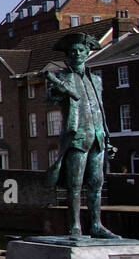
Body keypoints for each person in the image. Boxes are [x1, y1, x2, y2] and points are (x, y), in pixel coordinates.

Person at [44, 32, 119, 239]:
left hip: (97, 135)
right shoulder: (62, 78)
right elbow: (50, 99)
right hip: (77, 136)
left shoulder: (96, 80)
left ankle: (96, 225)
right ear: (68, 55)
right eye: (73, 51)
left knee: (96, 182)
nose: (77, 53)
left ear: (87, 53)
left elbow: (99, 108)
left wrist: (108, 138)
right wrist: (58, 90)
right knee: (74, 184)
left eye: (81, 50)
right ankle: (75, 227)